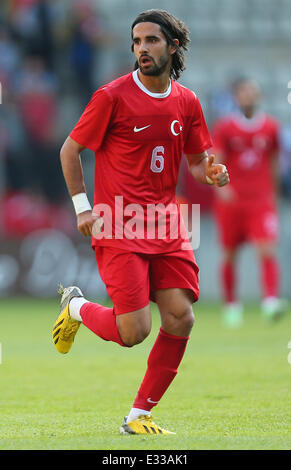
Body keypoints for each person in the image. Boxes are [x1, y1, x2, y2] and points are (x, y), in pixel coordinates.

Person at [52, 9, 229, 435]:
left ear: (172, 46)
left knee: (181, 317)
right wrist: (82, 206)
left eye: (151, 40)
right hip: (120, 223)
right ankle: (75, 307)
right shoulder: (111, 96)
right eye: (136, 41)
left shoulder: (187, 101)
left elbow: (197, 161)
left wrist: (212, 173)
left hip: (166, 223)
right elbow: (70, 151)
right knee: (134, 331)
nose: (141, 49)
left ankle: (138, 416)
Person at [212, 77, 285, 328]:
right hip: (233, 201)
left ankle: (270, 301)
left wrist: (273, 193)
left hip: (260, 199)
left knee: (266, 249)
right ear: (236, 97)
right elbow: (216, 160)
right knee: (230, 254)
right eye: (244, 93)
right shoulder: (225, 128)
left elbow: (274, 162)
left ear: (259, 96)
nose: (248, 97)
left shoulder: (271, 128)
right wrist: (222, 189)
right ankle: (231, 305)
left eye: (252, 92)